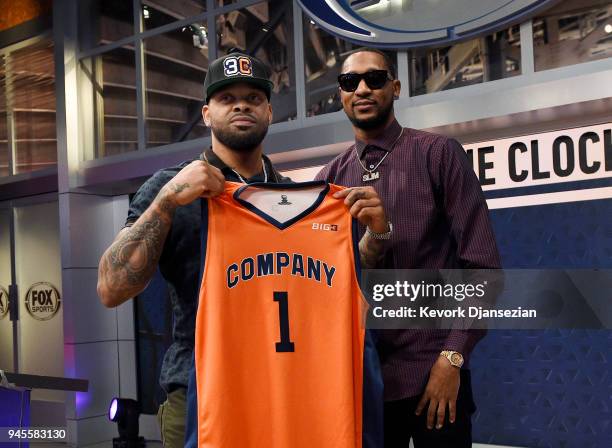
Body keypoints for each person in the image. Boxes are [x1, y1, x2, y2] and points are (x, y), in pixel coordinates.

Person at [97, 49, 388, 447]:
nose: (240, 106)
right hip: (200, 392)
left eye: (253, 99)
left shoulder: (293, 196)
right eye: (226, 98)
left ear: (269, 111)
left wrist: (375, 234)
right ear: (206, 113)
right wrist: (166, 200)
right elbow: (111, 288)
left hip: (287, 390)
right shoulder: (172, 186)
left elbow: (338, 290)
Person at [315, 48, 502, 448]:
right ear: (341, 95)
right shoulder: (329, 180)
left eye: (375, 79)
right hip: (365, 380)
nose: (362, 89)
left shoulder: (437, 154)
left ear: (395, 87)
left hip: (434, 370)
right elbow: (328, 287)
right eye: (350, 82)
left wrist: (452, 359)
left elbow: (484, 270)